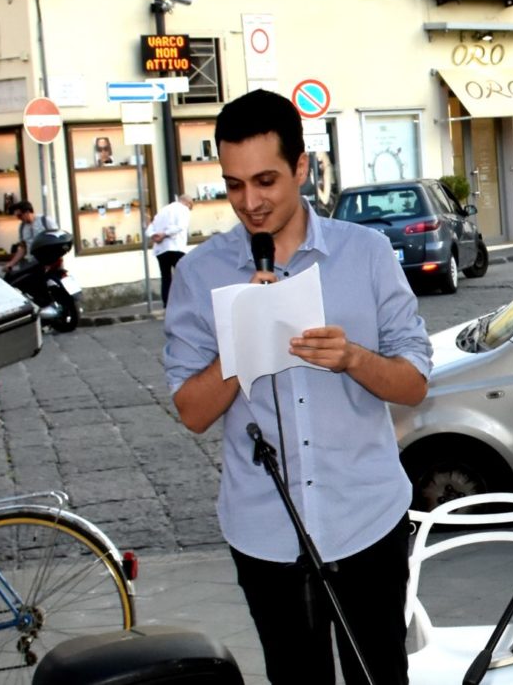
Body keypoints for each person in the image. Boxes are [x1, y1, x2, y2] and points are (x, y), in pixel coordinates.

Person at [162, 89, 431, 685]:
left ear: (302, 168)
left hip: (366, 520)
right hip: (264, 532)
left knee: (379, 675)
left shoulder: (365, 254)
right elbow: (190, 411)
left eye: (266, 181)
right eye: (234, 186)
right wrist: (241, 343)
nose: (250, 203)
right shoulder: (199, 274)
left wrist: (354, 358)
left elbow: (414, 383)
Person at [148, 196, 194, 305]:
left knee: (165, 277)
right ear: (188, 203)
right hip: (176, 246)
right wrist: (165, 234)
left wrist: (154, 235)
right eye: (190, 207)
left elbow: (150, 228)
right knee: (184, 275)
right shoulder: (183, 209)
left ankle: (167, 303)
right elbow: (181, 226)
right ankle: (186, 301)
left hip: (161, 249)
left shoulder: (163, 210)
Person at [0, 201, 54, 273]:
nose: (18, 218)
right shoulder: (22, 227)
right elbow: (23, 248)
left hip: (48, 263)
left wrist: (51, 261)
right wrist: (11, 264)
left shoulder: (45, 220)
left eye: (20, 215)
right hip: (31, 263)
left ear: (27, 212)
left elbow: (55, 241)